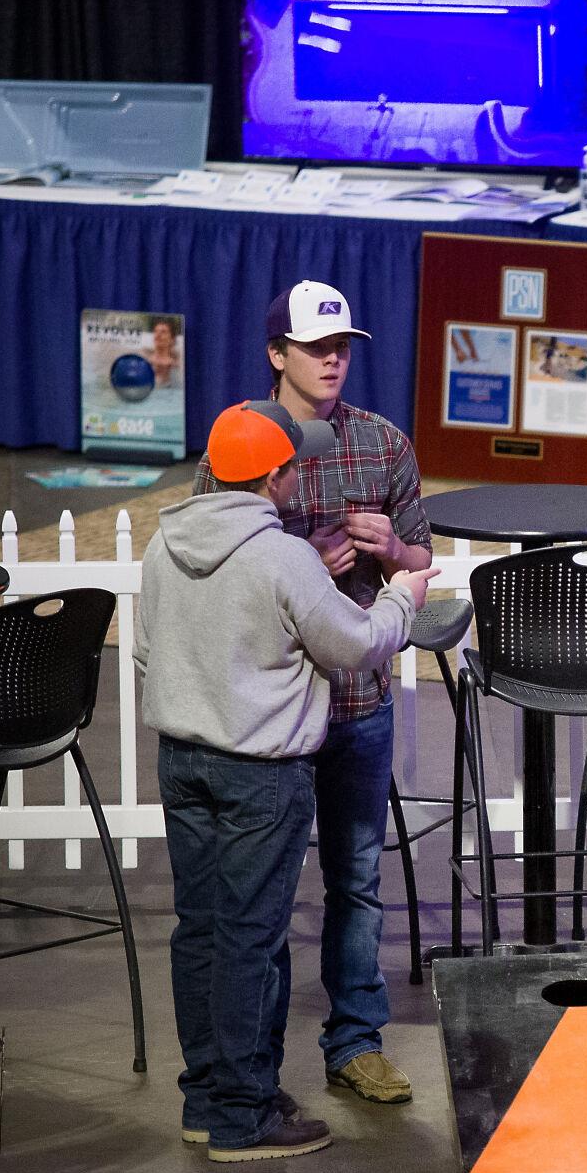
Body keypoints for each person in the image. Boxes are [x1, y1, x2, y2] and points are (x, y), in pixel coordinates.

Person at [136, 400, 435, 1161]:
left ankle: (208, 1099)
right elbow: (355, 644)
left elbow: (145, 653)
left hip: (183, 758)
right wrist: (402, 598)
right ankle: (243, 1115)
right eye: (294, 464)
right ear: (274, 478)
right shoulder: (282, 557)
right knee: (247, 936)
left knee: (201, 930)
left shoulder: (165, 545)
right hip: (259, 771)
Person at [192, 279, 433, 1104]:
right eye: (315, 347)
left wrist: (394, 549)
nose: (333, 360)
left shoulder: (383, 443)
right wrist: (302, 566)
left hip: (358, 701)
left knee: (356, 878)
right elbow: (212, 569)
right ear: (276, 354)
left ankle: (356, 1042)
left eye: (342, 347)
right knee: (260, 894)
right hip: (270, 712)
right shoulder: (236, 446)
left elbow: (421, 564)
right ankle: (252, 1069)